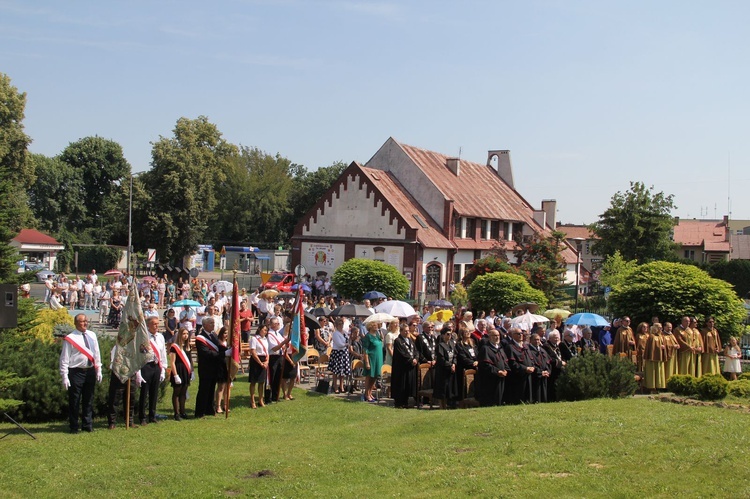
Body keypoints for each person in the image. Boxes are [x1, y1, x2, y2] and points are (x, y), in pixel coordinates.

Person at [60, 314, 102, 433]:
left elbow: (96, 353)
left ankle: (87, 424)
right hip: (76, 371)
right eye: (82, 321)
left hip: (90, 370)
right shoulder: (71, 338)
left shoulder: (92, 335)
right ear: (76, 323)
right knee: (75, 400)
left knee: (88, 399)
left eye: (86, 321)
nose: (85, 323)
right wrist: (64, 376)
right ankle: (74, 426)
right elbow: (64, 358)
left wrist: (98, 369)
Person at [194, 317, 231, 418]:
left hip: (214, 367)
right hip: (206, 368)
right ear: (204, 325)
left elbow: (218, 347)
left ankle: (209, 409)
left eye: (213, 323)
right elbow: (207, 353)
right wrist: (224, 354)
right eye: (211, 323)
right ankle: (199, 412)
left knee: (211, 390)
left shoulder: (213, 335)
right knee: (204, 390)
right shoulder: (200, 338)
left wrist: (228, 349)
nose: (213, 325)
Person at [137, 316, 167, 425]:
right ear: (148, 325)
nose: (156, 326)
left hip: (156, 366)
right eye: (154, 324)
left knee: (154, 392)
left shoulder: (160, 337)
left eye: (157, 324)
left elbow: (163, 353)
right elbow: (139, 354)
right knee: (144, 392)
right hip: (146, 366)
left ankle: (152, 415)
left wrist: (163, 368)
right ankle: (142, 417)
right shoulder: (143, 337)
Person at [106, 344, 138, 429]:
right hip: (118, 375)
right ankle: (112, 422)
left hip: (131, 375)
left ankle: (129, 420)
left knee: (130, 398)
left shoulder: (134, 348)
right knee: (114, 399)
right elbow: (113, 362)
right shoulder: (116, 347)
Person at [477, 329, 508, 407]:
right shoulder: (485, 348)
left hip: (501, 377)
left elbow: (505, 361)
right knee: (491, 400)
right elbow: (485, 365)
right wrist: (497, 371)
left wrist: (506, 370)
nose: (497, 337)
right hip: (490, 379)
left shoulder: (500, 348)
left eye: (498, 335)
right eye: (495, 336)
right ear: (489, 337)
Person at [504, 327, 534, 405]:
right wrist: (525, 368)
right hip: (517, 376)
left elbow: (531, 358)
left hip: (528, 374)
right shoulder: (510, 347)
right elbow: (512, 363)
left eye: (521, 333)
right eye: (518, 334)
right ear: (513, 335)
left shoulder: (525, 346)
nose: (521, 335)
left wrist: (532, 367)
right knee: (520, 396)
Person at [391, 322, 418, 408]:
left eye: (408, 331)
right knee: (401, 385)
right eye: (405, 331)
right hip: (401, 367)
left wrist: (416, 358)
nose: (407, 333)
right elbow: (402, 354)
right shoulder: (398, 341)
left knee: (408, 385)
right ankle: (399, 402)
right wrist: (411, 360)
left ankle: (406, 401)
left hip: (409, 367)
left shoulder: (410, 340)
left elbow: (416, 351)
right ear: (401, 331)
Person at [169, 327, 192, 420]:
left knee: (183, 392)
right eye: (184, 333)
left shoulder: (188, 346)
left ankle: (183, 411)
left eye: (187, 334)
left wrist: (192, 372)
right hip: (178, 370)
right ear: (180, 335)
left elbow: (190, 360)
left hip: (186, 371)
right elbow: (172, 362)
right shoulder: (175, 347)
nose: (185, 335)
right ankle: (176, 413)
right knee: (177, 392)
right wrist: (175, 375)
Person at [432, 327, 457, 409]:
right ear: (443, 335)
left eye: (451, 334)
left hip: (450, 371)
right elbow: (441, 359)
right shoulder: (440, 346)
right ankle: (441, 406)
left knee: (448, 389)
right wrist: (450, 365)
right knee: (442, 389)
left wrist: (453, 364)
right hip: (442, 371)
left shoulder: (452, 344)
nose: (449, 336)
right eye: (448, 334)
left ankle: (447, 405)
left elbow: (455, 355)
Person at [267, 316, 290, 402]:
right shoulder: (270, 334)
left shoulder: (278, 334)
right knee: (272, 377)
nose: (279, 325)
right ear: (272, 325)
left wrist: (285, 344)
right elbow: (274, 348)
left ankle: (275, 396)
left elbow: (282, 345)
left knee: (278, 377)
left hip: (280, 357)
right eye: (277, 323)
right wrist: (283, 343)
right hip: (273, 357)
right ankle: (269, 396)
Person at [454, 324, 478, 401]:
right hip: (464, 367)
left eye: (469, 331)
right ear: (461, 334)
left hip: (475, 365)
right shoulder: (459, 345)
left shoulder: (472, 343)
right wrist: (472, 363)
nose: (468, 333)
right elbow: (462, 357)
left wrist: (477, 361)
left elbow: (477, 353)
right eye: (466, 332)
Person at [328, 317, 351, 394]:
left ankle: (341, 386)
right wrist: (346, 344)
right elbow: (340, 344)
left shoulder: (344, 332)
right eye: (339, 324)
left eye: (342, 324)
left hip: (344, 353)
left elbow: (348, 340)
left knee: (343, 371)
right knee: (336, 371)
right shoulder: (335, 334)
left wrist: (347, 343)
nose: (341, 326)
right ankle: (335, 386)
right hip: (337, 353)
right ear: (336, 325)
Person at [361, 322, 384, 402]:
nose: (376, 327)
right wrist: (367, 362)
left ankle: (370, 393)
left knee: (374, 376)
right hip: (371, 358)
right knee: (369, 376)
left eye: (376, 325)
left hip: (378, 358)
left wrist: (380, 331)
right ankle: (366, 394)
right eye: (374, 325)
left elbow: (381, 341)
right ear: (370, 327)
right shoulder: (368, 336)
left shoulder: (377, 335)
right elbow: (365, 349)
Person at [249, 324, 270, 408]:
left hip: (264, 359)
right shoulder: (254, 338)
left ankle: (261, 400)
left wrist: (267, 361)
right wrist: (260, 363)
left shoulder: (265, 339)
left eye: (266, 330)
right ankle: (252, 400)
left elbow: (267, 352)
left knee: (261, 382)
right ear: (259, 329)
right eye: (264, 330)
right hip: (256, 360)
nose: (265, 332)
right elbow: (253, 352)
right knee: (253, 382)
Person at [527, 333, 550, 403]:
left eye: (538, 340)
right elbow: (530, 363)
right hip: (535, 376)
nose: (537, 341)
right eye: (535, 340)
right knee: (537, 396)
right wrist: (540, 372)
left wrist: (547, 371)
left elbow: (548, 361)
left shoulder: (542, 350)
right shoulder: (528, 351)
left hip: (545, 375)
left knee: (544, 396)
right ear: (530, 340)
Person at [644, 323, 667, 393]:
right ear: (655, 328)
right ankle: (651, 387)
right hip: (652, 358)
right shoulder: (651, 336)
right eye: (659, 328)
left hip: (659, 357)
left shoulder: (660, 336)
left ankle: (658, 386)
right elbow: (651, 348)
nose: (661, 329)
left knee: (658, 371)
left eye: (661, 328)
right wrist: (660, 347)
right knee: (652, 372)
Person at [543, 330, 565, 402]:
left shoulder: (557, 346)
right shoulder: (547, 346)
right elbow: (549, 358)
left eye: (557, 338)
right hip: (552, 369)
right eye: (555, 338)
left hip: (559, 368)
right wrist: (560, 363)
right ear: (550, 338)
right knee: (552, 385)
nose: (556, 339)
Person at [215, 327, 231, 414]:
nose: (226, 335)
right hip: (220, 366)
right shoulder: (218, 343)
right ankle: (218, 406)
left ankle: (225, 404)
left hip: (228, 366)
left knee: (227, 387)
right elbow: (216, 355)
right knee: (221, 387)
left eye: (227, 333)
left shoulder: (229, 343)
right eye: (225, 333)